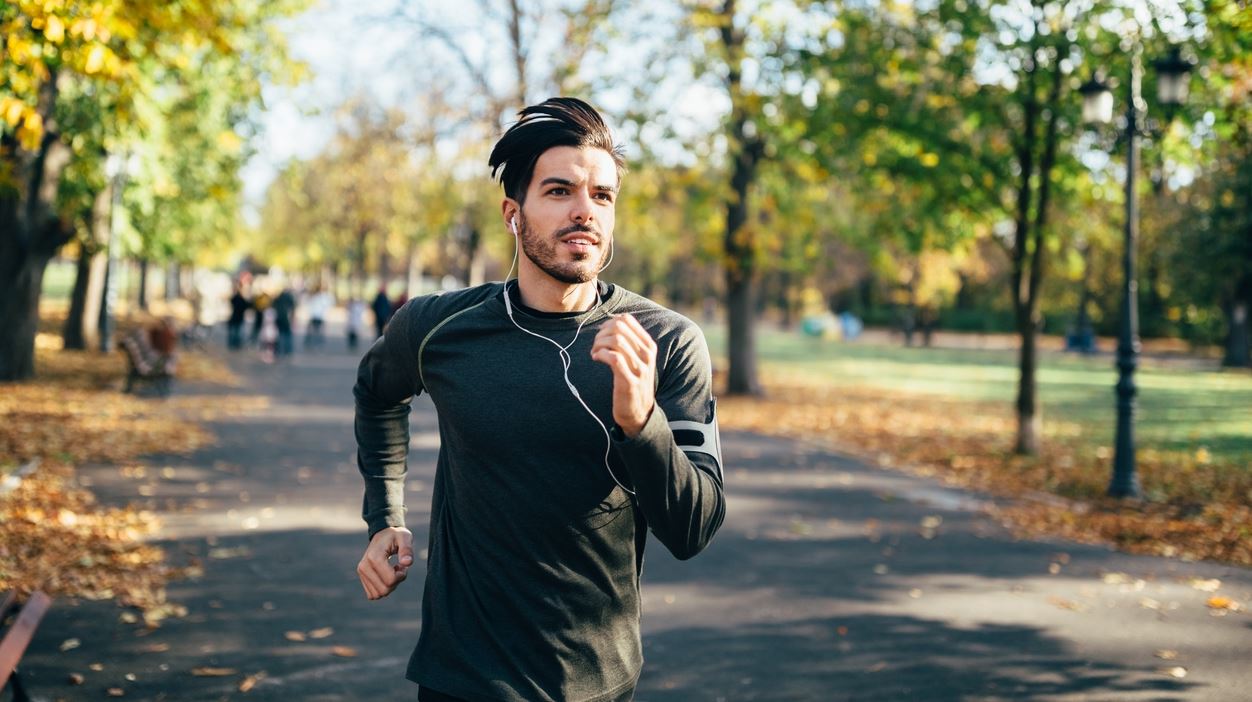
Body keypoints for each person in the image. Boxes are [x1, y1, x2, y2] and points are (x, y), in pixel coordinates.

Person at [354, 97, 726, 702]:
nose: (586, 211)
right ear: (513, 213)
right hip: (462, 678)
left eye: (602, 196)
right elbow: (376, 396)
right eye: (560, 191)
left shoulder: (666, 341)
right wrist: (384, 516)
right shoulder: (439, 328)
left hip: (596, 680)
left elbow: (694, 528)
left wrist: (641, 422)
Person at [227, 283, 249, 350]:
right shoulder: (238, 298)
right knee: (236, 332)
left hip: (237, 317)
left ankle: (234, 344)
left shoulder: (238, 298)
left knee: (235, 332)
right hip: (237, 317)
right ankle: (234, 344)